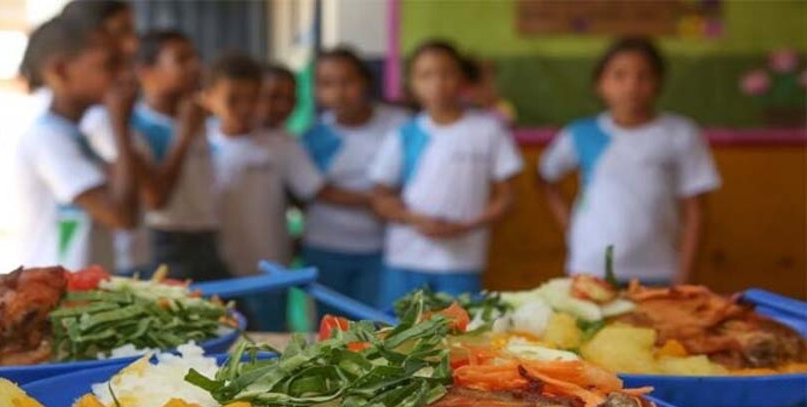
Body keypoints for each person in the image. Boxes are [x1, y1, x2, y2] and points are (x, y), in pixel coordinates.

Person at [539, 37, 720, 285]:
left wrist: (684, 277)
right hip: (591, 267)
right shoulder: (580, 133)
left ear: (658, 82)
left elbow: (696, 212)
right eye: (619, 75)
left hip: (660, 269)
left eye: (643, 76)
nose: (632, 86)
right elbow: (545, 177)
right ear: (600, 83)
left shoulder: (681, 133)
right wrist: (570, 226)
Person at [369, 40, 522, 307]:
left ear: (462, 77)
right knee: (394, 335)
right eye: (425, 75)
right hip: (405, 258)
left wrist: (465, 226)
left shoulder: (488, 131)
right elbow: (379, 198)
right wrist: (415, 219)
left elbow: (507, 197)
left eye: (447, 73)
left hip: (462, 261)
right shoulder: (403, 134)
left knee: (459, 340)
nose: (437, 83)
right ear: (412, 84)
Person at [202, 54, 326, 331]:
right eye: (233, 99)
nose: (245, 108)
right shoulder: (199, 143)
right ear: (209, 98)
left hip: (267, 273)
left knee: (266, 345)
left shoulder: (281, 143)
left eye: (253, 98)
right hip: (215, 273)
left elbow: (312, 192)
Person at [12, 15, 141, 270]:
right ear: (61, 71)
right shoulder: (46, 139)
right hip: (56, 293)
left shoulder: (77, 133)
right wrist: (119, 125)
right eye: (111, 65)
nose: (126, 76)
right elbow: (121, 215)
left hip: (83, 289)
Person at [301, 47, 408, 315]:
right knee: (330, 331)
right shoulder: (316, 136)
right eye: (327, 84)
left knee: (377, 326)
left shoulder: (399, 125)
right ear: (316, 91)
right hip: (325, 248)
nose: (338, 92)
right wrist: (374, 199)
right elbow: (316, 191)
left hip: (382, 249)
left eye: (347, 81)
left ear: (366, 82)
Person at [132, 30, 228, 282]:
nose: (195, 66)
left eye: (195, 57)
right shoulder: (139, 125)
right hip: (169, 240)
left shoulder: (196, 117)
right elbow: (155, 199)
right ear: (147, 71)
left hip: (206, 236)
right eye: (181, 60)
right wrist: (183, 136)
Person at [65, 1, 152, 276]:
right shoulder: (96, 118)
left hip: (122, 258)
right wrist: (118, 123)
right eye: (121, 32)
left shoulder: (111, 110)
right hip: (112, 264)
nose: (132, 44)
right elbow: (133, 208)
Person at [257, 63, 298, 132]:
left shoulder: (295, 141)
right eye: (274, 97)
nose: (282, 106)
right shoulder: (238, 139)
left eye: (289, 99)